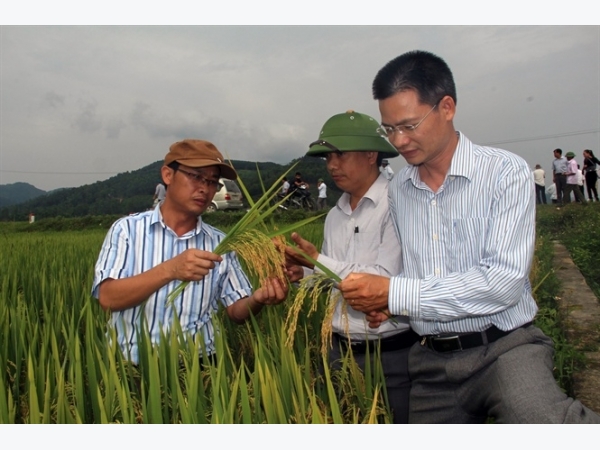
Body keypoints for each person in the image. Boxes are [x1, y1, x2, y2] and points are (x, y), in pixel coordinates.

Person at [338, 50, 600, 424]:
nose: (399, 140)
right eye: (389, 128)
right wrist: (391, 303)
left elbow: (503, 283)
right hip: (431, 360)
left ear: (447, 107)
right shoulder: (401, 191)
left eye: (409, 125)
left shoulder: (505, 173)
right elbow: (420, 274)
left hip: (504, 347)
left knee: (539, 416)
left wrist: (394, 293)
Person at [92, 139, 287, 365]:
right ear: (167, 175)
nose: (205, 188)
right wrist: (170, 270)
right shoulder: (127, 230)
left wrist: (259, 298)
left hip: (200, 367)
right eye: (195, 176)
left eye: (213, 181)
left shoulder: (220, 243)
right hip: (131, 367)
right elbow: (107, 298)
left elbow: (236, 311)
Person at [285, 110, 417, 423]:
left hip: (392, 356)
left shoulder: (399, 204)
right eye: (328, 157)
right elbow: (331, 278)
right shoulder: (335, 215)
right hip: (338, 353)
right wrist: (302, 274)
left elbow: (383, 280)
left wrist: (317, 262)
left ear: (372, 154)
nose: (332, 165)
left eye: (340, 155)